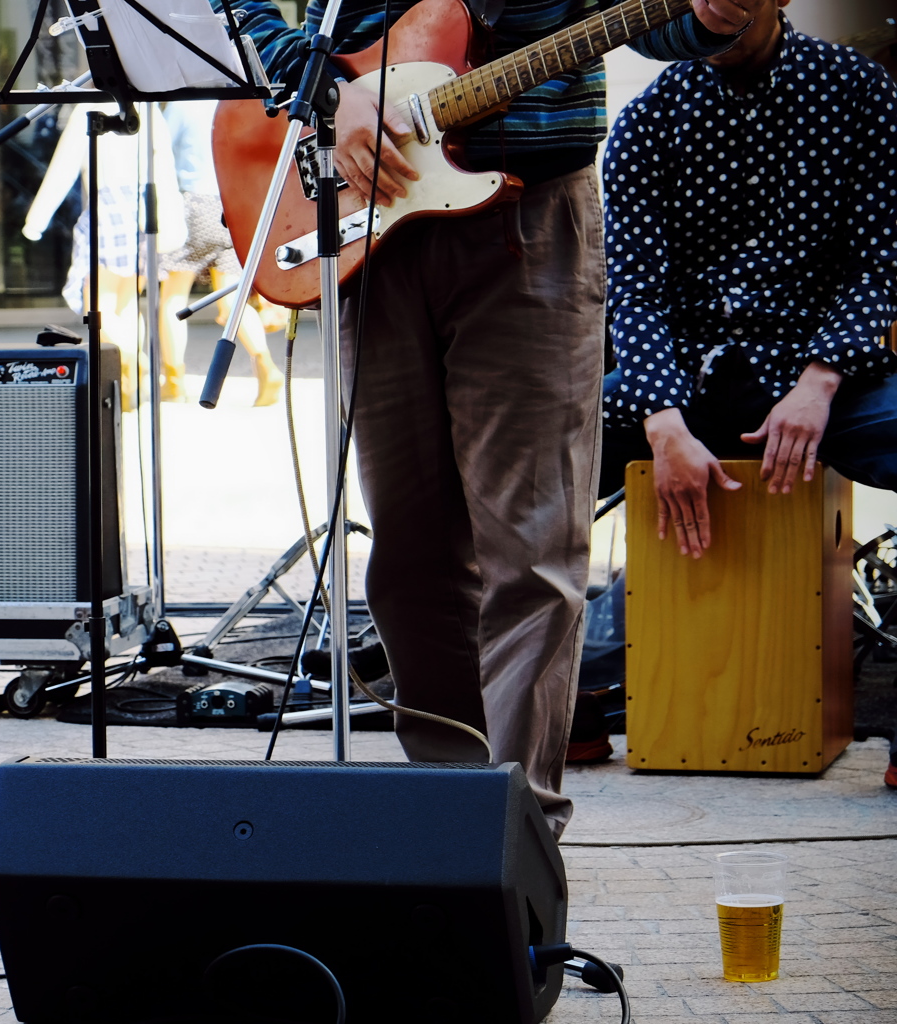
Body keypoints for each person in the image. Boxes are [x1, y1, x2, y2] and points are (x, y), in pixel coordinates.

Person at [234, 0, 751, 839]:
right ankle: (447, 828)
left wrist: (711, 19)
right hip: (373, 208)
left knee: (531, 554)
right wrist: (327, 86)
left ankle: (515, 850)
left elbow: (654, 20)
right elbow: (237, 7)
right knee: (409, 559)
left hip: (528, 213)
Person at [599, 0, 897, 562]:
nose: (713, 10)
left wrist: (819, 383)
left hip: (821, 372)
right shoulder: (649, 118)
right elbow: (635, 292)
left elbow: (879, 263)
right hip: (681, 381)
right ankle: (585, 642)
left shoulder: (858, 88)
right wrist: (662, 424)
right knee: (533, 470)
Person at [23, 103, 186, 411]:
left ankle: (130, 365)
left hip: (108, 207)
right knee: (125, 304)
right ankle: (132, 375)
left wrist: (36, 220)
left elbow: (64, 166)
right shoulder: (147, 104)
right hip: (147, 210)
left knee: (99, 305)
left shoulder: (90, 105)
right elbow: (164, 163)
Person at [158, 100, 285, 406]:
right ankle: (266, 366)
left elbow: (161, 154)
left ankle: (174, 382)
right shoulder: (231, 103)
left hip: (192, 206)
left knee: (173, 297)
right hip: (231, 205)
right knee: (231, 299)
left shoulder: (180, 105)